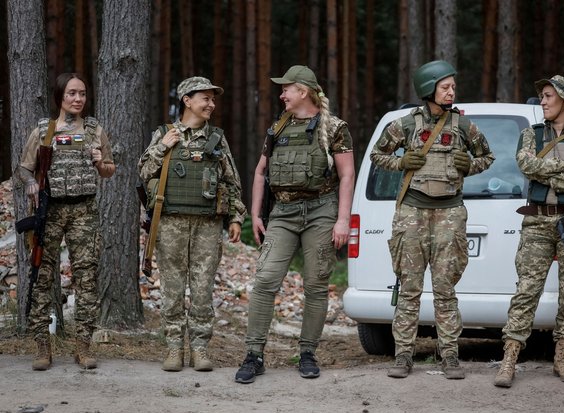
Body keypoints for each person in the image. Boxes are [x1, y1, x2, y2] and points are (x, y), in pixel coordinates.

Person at [371, 60, 494, 380]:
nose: (452, 91)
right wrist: (401, 163)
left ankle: (450, 355)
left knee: (445, 288)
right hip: (411, 211)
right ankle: (403, 356)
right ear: (429, 90)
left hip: (450, 212)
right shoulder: (406, 125)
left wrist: (470, 164)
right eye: (445, 86)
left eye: (453, 86)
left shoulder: (465, 127)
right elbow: (376, 155)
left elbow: (488, 157)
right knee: (410, 287)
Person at [234, 65, 355, 384]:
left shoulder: (335, 127)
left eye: (286, 88)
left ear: (303, 91)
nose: (281, 93)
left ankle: (307, 353)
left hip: (321, 211)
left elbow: (347, 175)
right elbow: (260, 172)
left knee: (315, 284)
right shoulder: (278, 127)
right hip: (283, 214)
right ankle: (254, 354)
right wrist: (255, 214)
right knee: (265, 280)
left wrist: (343, 220)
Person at [494, 75, 564, 388]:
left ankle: (561, 359)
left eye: (548, 96)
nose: (542, 102)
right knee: (527, 290)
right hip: (538, 220)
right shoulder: (531, 134)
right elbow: (524, 164)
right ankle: (509, 361)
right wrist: (563, 171)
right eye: (541, 96)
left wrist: (547, 174)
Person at [138, 76, 246, 372]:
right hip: (170, 222)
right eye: (205, 98)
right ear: (187, 100)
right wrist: (162, 147)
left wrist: (235, 217)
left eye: (213, 99)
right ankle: (174, 349)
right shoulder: (164, 133)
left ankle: (199, 348)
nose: (211, 104)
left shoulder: (216, 138)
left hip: (207, 225)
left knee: (202, 289)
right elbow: (144, 172)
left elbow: (231, 180)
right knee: (172, 288)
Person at [16, 73, 116, 370]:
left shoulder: (95, 130)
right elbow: (23, 168)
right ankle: (42, 348)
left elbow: (109, 170)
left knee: (87, 279)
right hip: (50, 212)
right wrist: (31, 184)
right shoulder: (44, 131)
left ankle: (83, 348)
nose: (77, 99)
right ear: (60, 96)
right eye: (72, 93)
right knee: (42, 277)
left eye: (82, 94)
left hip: (84, 211)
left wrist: (100, 162)